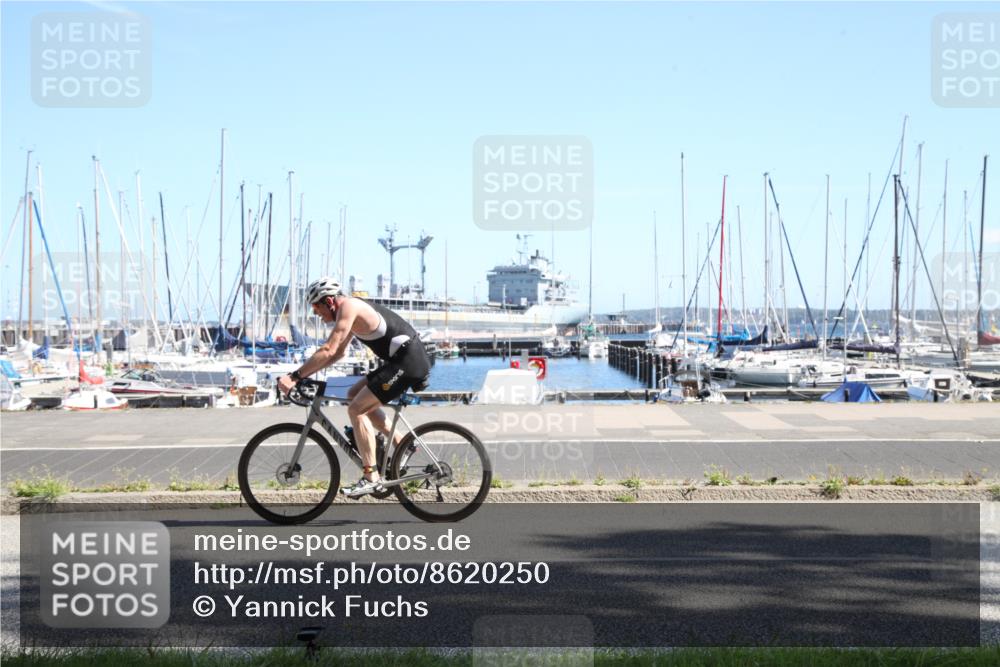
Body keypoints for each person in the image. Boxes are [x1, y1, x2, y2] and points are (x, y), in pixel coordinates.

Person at [277, 277, 431, 497]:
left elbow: (329, 348)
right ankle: (402, 443)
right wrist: (304, 376)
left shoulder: (349, 306)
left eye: (316, 307)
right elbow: (337, 353)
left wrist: (295, 376)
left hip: (407, 362)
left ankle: (371, 476)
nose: (315, 314)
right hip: (400, 361)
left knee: (356, 409)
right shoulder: (347, 311)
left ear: (329, 301)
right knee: (353, 395)